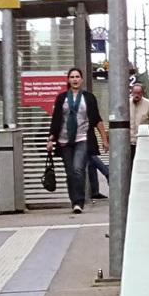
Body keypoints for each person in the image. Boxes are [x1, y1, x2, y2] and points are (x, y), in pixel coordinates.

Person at [46, 67, 108, 213]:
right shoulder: (62, 98)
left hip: (83, 137)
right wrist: (50, 138)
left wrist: (104, 139)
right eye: (72, 77)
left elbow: (97, 119)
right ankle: (74, 200)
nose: (74, 79)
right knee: (70, 172)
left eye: (77, 77)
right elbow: (56, 119)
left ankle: (79, 202)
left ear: (81, 79)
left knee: (78, 169)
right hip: (64, 139)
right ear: (68, 79)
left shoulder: (89, 97)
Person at [127, 82, 149, 170]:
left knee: (142, 166)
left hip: (143, 141)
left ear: (142, 93)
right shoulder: (127, 103)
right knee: (130, 165)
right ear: (131, 92)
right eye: (134, 93)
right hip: (129, 141)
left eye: (139, 93)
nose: (136, 95)